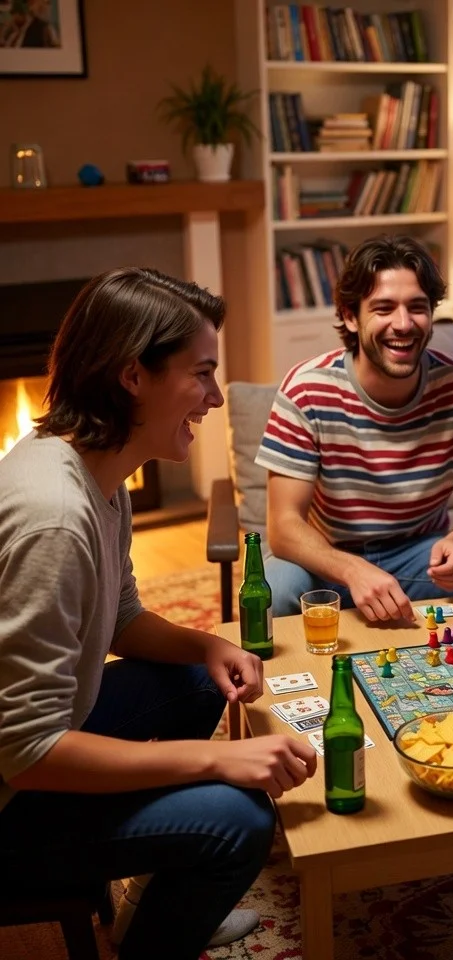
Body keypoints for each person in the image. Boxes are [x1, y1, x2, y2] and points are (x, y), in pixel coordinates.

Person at [0, 268, 318, 960]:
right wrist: (216, 761)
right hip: (10, 804)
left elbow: (119, 620)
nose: (212, 397)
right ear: (132, 377)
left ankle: (143, 906)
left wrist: (208, 645)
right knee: (238, 817)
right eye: (201, 374)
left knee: (199, 678)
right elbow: (24, 753)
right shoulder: (54, 516)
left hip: (45, 739)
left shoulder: (96, 471)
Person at [258, 234, 453, 620]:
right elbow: (284, 526)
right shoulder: (306, 389)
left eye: (417, 307)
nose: (403, 324)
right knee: (273, 588)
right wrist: (353, 570)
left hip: (422, 557)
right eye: (384, 308)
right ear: (351, 316)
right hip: (327, 563)